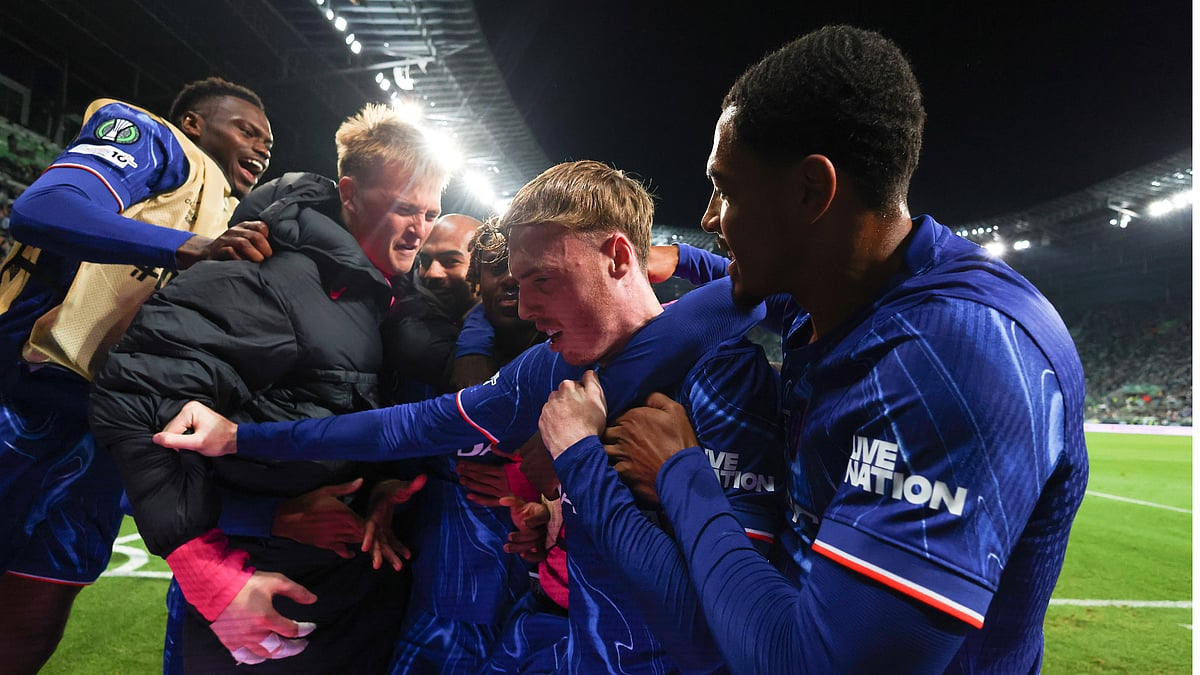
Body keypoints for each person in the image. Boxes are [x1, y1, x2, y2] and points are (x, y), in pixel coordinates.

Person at [540, 25, 1089, 674]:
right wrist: (682, 258)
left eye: (726, 188)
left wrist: (680, 473)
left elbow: (809, 663)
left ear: (810, 191)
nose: (711, 217)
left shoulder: (960, 361)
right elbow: (742, 286)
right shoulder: (836, 291)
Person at [155, 159, 784, 673]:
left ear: (619, 257)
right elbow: (409, 425)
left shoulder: (724, 377)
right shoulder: (549, 366)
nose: (525, 308)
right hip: (560, 640)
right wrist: (239, 437)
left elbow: (711, 636)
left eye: (541, 280)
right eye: (515, 283)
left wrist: (579, 459)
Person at [89, 102, 451, 671]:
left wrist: (384, 485)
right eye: (405, 208)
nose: (419, 229)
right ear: (350, 194)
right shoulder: (268, 275)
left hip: (354, 585)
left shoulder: (390, 296)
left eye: (431, 213)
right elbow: (137, 398)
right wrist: (210, 568)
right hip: (268, 585)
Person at [0, 76, 273, 673]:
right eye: (247, 130)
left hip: (106, 433)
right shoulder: (153, 139)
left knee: (40, 604)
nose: (261, 147)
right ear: (195, 123)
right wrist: (187, 247)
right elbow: (43, 208)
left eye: (269, 143)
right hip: (22, 398)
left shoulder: (239, 221)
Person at [388, 219, 544, 674]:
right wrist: (385, 489)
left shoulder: (576, 358)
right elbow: (398, 449)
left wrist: (539, 488)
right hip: (448, 591)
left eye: (450, 260)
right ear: (481, 280)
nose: (434, 274)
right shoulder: (427, 359)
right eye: (496, 266)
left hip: (539, 597)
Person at [383, 212, 483, 401]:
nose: (432, 273)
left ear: (484, 266)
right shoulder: (409, 319)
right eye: (426, 260)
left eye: (451, 261)